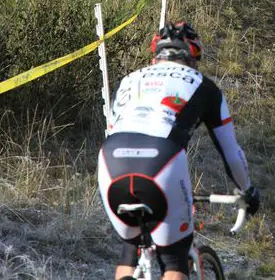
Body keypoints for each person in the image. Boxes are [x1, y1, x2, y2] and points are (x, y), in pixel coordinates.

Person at [98, 20, 259, 280]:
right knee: (174, 259)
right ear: (193, 58)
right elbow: (231, 154)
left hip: (110, 162)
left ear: (155, 57)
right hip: (161, 161)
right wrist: (248, 191)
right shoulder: (204, 86)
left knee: (130, 248)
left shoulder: (129, 80)